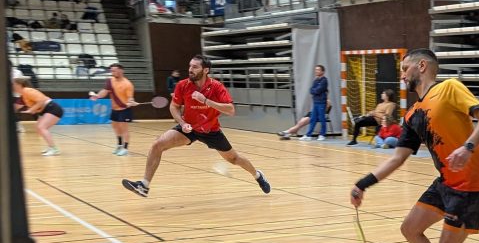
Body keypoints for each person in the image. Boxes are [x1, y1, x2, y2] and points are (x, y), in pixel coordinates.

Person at [349, 48, 479, 243]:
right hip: (446, 182)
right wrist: (363, 184)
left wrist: (467, 147)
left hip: (471, 184)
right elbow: (397, 158)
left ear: (421, 66)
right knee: (410, 228)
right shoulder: (412, 115)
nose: (402, 75)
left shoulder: (449, 88)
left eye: (405, 68)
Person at [121, 55, 270, 198]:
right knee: (157, 145)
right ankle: (144, 186)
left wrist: (205, 101)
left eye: (195, 67)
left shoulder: (216, 87)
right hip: (189, 128)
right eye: (190, 66)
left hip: (211, 130)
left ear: (206, 70)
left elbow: (231, 110)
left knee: (234, 159)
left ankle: (257, 175)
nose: (190, 69)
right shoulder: (183, 85)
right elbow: (174, 107)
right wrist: (182, 123)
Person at [89, 63, 137, 156]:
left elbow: (130, 98)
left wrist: (131, 102)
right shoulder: (110, 81)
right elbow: (105, 91)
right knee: (116, 127)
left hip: (124, 109)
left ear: (121, 70)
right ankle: (119, 145)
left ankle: (125, 148)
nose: (112, 72)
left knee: (124, 129)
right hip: (114, 109)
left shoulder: (127, 84)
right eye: (112, 71)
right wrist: (97, 96)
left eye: (114, 70)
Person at [13, 76, 62, 155]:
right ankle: (51, 146)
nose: (12, 86)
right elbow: (16, 107)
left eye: (14, 84)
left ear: (19, 85)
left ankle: (54, 149)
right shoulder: (23, 95)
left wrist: (31, 110)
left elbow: (41, 100)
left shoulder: (27, 90)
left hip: (52, 108)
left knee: (41, 127)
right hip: (47, 110)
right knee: (39, 129)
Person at [299, 65, 329, 141]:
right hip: (315, 102)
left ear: (322, 71)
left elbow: (318, 90)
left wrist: (314, 91)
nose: (316, 71)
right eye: (316, 70)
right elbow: (311, 90)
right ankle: (308, 135)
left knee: (322, 119)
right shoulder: (315, 80)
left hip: (321, 102)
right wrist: (314, 91)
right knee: (313, 119)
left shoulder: (324, 81)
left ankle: (322, 135)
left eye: (318, 70)